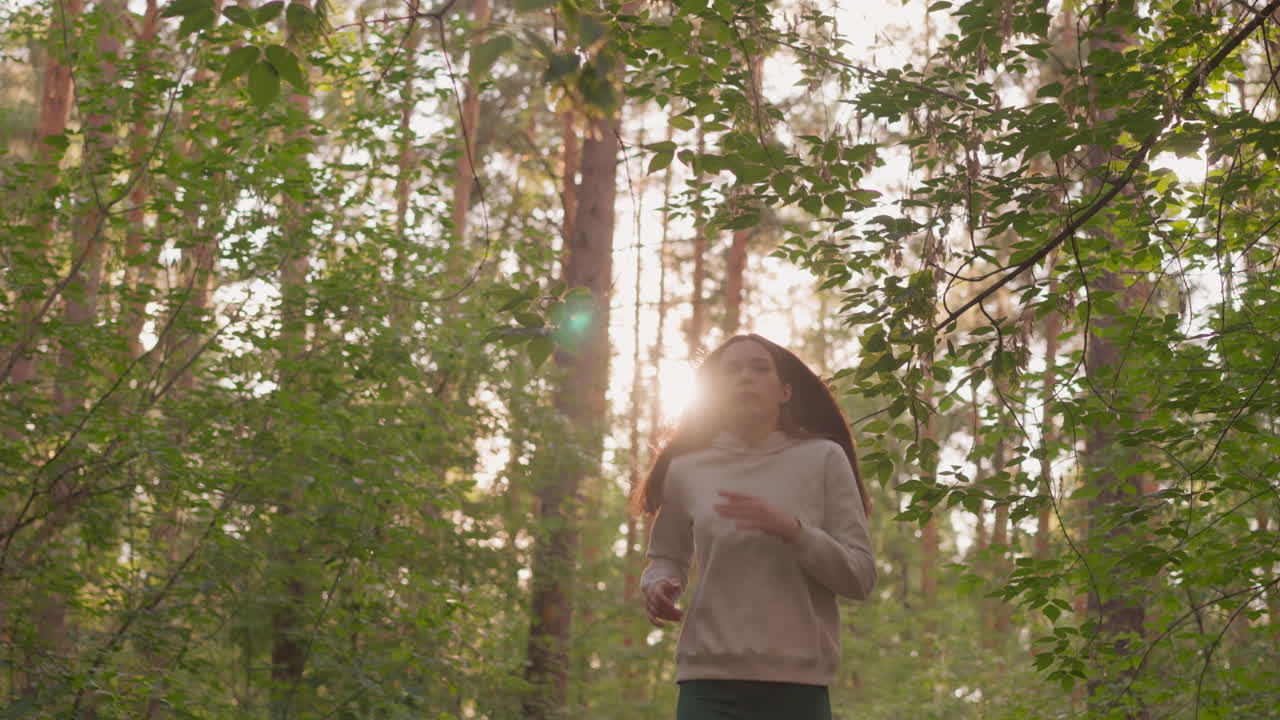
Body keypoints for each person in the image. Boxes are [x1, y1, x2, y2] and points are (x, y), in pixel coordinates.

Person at [634, 333, 876, 720]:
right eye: (731, 370)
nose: (745, 377)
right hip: (707, 680)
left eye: (759, 368)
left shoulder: (824, 459)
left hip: (797, 686)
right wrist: (657, 585)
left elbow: (860, 576)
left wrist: (794, 531)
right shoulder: (687, 470)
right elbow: (665, 558)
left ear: (785, 391)